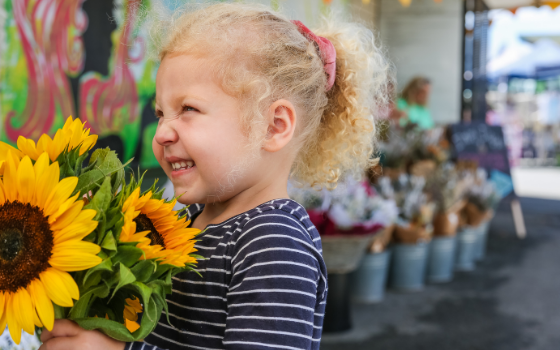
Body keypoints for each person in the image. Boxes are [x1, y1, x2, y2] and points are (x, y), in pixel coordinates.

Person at [38, 3, 390, 350]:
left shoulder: (273, 242)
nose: (161, 133)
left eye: (188, 109)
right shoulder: (187, 222)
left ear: (273, 127)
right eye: (161, 113)